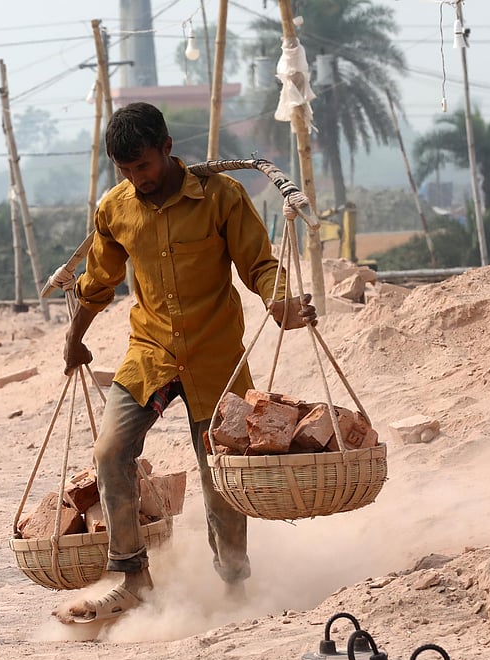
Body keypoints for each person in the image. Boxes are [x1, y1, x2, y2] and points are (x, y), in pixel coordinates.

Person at [52, 102, 315, 624]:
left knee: (219, 474)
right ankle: (132, 578)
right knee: (110, 451)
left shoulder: (222, 196)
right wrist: (73, 340)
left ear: (167, 148)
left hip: (216, 358)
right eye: (125, 171)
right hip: (150, 355)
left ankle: (235, 587)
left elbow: (260, 264)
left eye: (143, 166)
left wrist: (280, 302)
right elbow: (97, 283)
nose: (137, 179)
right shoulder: (115, 209)